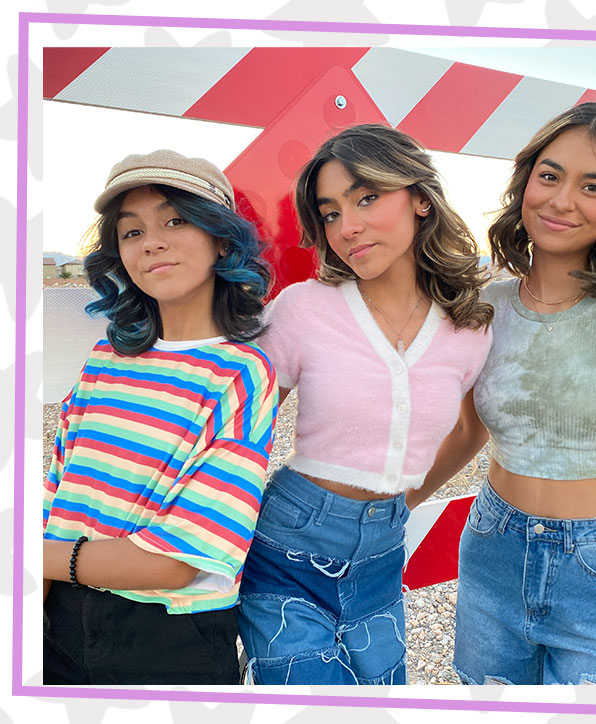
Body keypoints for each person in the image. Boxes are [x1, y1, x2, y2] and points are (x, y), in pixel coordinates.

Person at [410, 102, 596, 685]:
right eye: (550, 175)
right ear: (526, 180)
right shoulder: (487, 305)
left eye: (593, 186)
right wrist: (392, 508)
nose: (561, 201)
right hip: (492, 550)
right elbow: (467, 431)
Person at [235, 123, 494, 685]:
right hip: (288, 546)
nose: (346, 227)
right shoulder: (303, 308)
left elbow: (472, 434)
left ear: (421, 199)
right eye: (330, 213)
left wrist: (398, 498)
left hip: (382, 559)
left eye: (367, 198)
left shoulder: (469, 327)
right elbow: (242, 430)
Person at [42, 150, 278, 685]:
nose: (151, 241)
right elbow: (58, 496)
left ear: (222, 240)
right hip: (60, 621)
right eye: (131, 232)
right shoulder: (104, 361)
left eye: (175, 220)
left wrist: (38, 558)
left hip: (170, 636)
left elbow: (178, 561)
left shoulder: (240, 373)